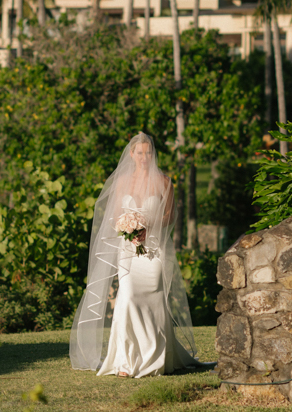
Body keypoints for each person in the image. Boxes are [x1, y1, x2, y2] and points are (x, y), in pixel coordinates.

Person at [69, 132, 203, 377]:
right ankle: (125, 361)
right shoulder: (122, 183)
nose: (144, 157)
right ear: (131, 154)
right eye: (139, 152)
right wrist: (128, 229)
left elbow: (170, 216)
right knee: (128, 296)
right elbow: (115, 216)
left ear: (153, 154)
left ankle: (157, 359)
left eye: (148, 152)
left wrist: (148, 226)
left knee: (154, 297)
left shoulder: (165, 182)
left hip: (155, 251)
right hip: (129, 250)